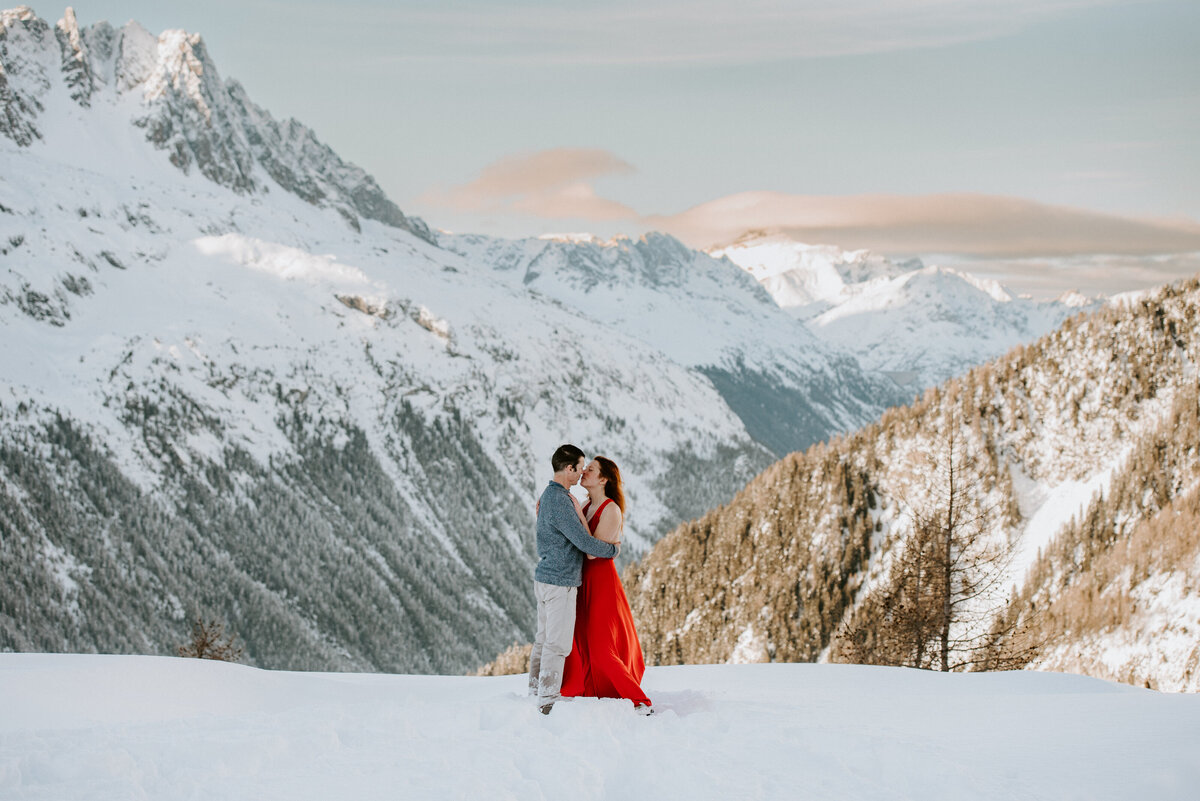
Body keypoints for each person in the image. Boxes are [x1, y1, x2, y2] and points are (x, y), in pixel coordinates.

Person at [530, 444, 619, 715]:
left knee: (543, 638)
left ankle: (535, 689)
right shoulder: (559, 500)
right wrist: (612, 549)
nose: (581, 473)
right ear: (569, 468)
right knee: (556, 643)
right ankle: (546, 698)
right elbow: (583, 542)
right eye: (579, 468)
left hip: (546, 577)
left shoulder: (552, 495)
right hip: (560, 582)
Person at [560, 456, 653, 714]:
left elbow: (592, 553)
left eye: (590, 470)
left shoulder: (610, 509)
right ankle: (594, 690)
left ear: (603, 479)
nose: (584, 472)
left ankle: (639, 700)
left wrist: (577, 514)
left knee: (602, 648)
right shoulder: (589, 505)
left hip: (601, 582)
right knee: (582, 640)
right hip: (583, 580)